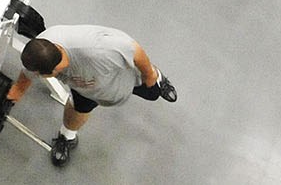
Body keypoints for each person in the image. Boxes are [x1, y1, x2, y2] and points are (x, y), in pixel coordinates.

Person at [9, 27, 173, 165]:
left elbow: (134, 50)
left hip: (124, 77)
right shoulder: (41, 49)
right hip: (85, 88)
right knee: (77, 110)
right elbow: (28, 72)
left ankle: (159, 77)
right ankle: (67, 137)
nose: (36, 75)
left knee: (153, 93)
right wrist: (18, 89)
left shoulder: (99, 50)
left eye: (39, 74)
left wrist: (149, 75)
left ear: (53, 71)